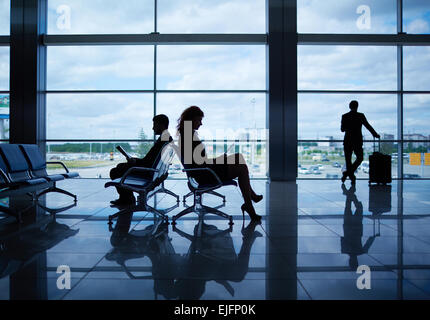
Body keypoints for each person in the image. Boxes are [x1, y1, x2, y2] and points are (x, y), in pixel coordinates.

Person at [177, 106, 262, 221]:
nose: (201, 123)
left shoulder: (188, 133)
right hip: (204, 175)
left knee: (239, 157)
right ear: (191, 120)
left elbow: (198, 161)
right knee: (241, 168)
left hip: (205, 170)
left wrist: (219, 159)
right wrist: (218, 160)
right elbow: (197, 165)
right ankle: (249, 203)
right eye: (199, 120)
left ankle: (251, 198)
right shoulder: (188, 136)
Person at [109, 114, 172, 205]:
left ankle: (127, 199)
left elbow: (148, 162)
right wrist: (135, 160)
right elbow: (150, 160)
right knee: (120, 167)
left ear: (161, 125)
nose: (153, 128)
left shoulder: (162, 140)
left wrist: (135, 161)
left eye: (154, 125)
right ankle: (127, 198)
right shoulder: (166, 139)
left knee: (115, 171)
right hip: (153, 172)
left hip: (148, 172)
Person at [341, 100, 380, 184]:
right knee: (360, 158)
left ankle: (348, 174)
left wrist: (348, 126)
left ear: (349, 106)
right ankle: (350, 175)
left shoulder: (345, 116)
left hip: (347, 141)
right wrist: (375, 134)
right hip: (357, 141)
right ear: (357, 106)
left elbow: (342, 129)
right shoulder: (360, 116)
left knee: (348, 160)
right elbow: (367, 126)